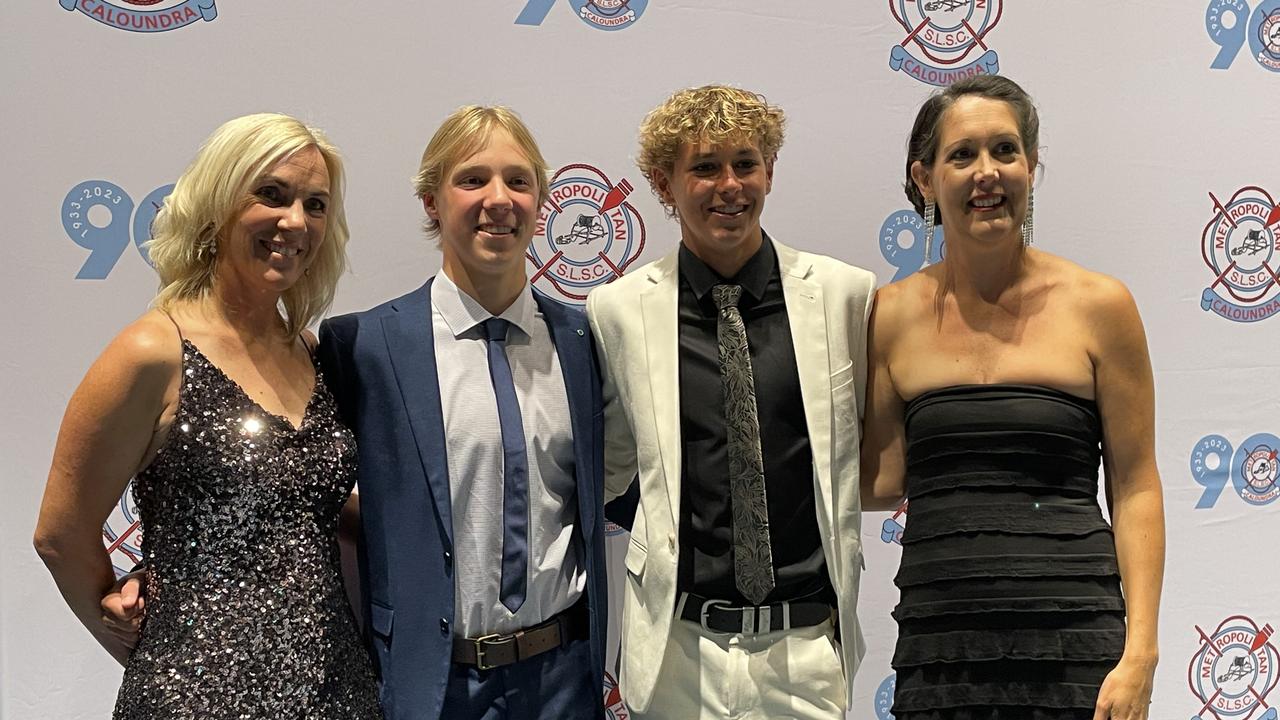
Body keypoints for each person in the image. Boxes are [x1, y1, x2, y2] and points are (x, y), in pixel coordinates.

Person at [33, 113, 382, 718]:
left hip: (337, 690)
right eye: (270, 195)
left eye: (315, 204)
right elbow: (61, 534)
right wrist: (125, 626)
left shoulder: (311, 351)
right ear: (218, 205)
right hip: (195, 695)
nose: (294, 221)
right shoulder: (153, 351)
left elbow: (310, 509)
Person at [860, 74, 1165, 720]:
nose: (986, 174)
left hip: (1078, 647)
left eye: (1005, 151)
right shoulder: (889, 315)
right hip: (942, 650)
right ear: (925, 179)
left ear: (1031, 167)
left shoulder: (1101, 307)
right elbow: (881, 482)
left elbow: (1136, 485)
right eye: (962, 155)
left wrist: (1140, 653)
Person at [587, 85, 876, 719]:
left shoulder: (843, 296)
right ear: (665, 184)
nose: (729, 185)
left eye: (745, 163)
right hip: (675, 650)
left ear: (770, 171)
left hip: (804, 652)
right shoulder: (617, 310)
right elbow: (607, 466)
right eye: (704, 167)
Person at [315, 106, 609, 720]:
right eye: (472, 179)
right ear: (431, 201)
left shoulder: (585, 341)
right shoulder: (364, 345)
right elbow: (301, 495)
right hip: (429, 683)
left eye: (518, 181)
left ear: (541, 200)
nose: (498, 200)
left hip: (564, 679)